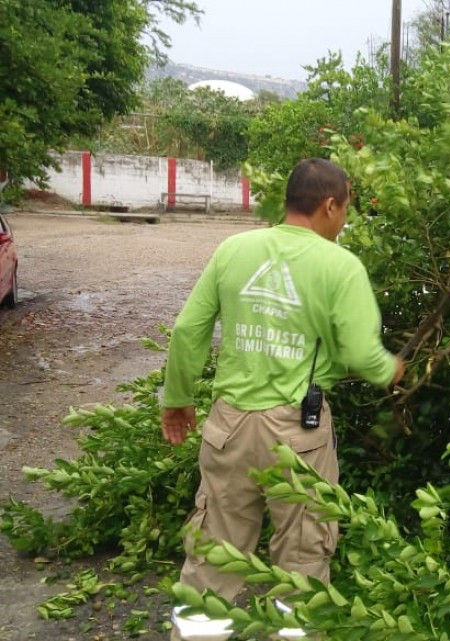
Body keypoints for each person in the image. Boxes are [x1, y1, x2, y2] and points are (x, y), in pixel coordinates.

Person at [161, 158, 404, 640]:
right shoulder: (340, 265)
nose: (346, 219)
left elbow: (189, 329)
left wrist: (178, 398)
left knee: (214, 553)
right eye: (346, 208)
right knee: (302, 560)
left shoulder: (234, 249)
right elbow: (359, 352)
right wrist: (389, 369)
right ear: (330, 204)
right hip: (299, 436)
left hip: (228, 427)